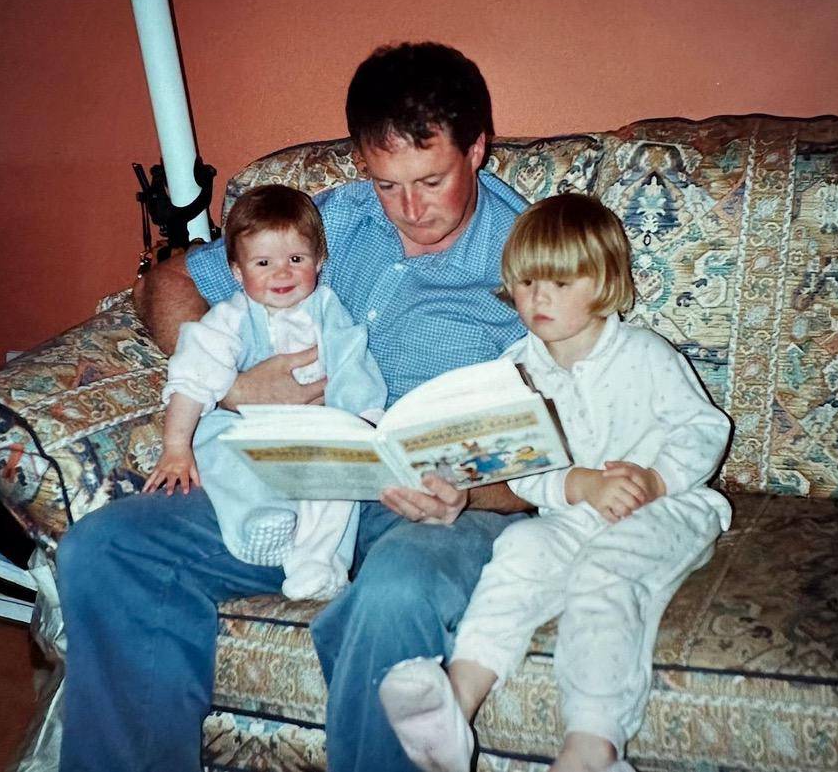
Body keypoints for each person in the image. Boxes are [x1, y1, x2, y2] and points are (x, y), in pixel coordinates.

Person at [56, 41, 533, 772]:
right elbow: (171, 281)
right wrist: (235, 386)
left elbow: (574, 434)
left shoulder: (531, 253)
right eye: (385, 184)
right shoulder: (334, 220)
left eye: (430, 180)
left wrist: (473, 489)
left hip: (436, 509)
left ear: (477, 148)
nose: (409, 210)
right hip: (292, 482)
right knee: (105, 548)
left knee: (394, 596)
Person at [378, 194, 732, 772]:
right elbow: (523, 467)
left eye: (561, 283)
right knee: (518, 547)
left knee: (604, 574)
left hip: (669, 506)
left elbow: (703, 428)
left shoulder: (644, 355)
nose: (538, 298)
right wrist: (574, 485)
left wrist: (656, 478)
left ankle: (593, 746)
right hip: (573, 515)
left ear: (604, 284)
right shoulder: (517, 369)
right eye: (526, 282)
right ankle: (454, 703)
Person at [141, 184, 387, 601]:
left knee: (338, 479)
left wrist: (364, 422)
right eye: (263, 262)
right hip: (248, 427)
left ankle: (317, 567)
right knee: (218, 446)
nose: (282, 273)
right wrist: (176, 446)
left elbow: (351, 365)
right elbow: (194, 377)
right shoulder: (231, 317)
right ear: (237, 272)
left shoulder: (328, 309)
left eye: (296, 259)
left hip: (313, 430)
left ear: (319, 261)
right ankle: (259, 518)